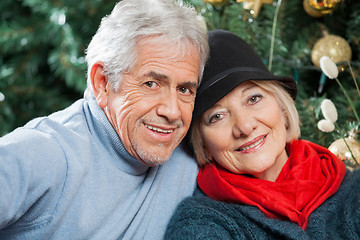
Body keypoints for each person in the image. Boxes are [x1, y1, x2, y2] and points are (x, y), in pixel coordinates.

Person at [0, 0, 209, 239]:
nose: (172, 112)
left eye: (184, 90)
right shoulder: (44, 153)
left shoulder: (190, 156)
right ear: (103, 82)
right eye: (150, 84)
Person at [165, 30, 360, 239]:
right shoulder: (198, 223)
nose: (245, 127)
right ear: (203, 144)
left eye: (253, 99)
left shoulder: (353, 191)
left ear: (282, 108)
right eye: (217, 116)